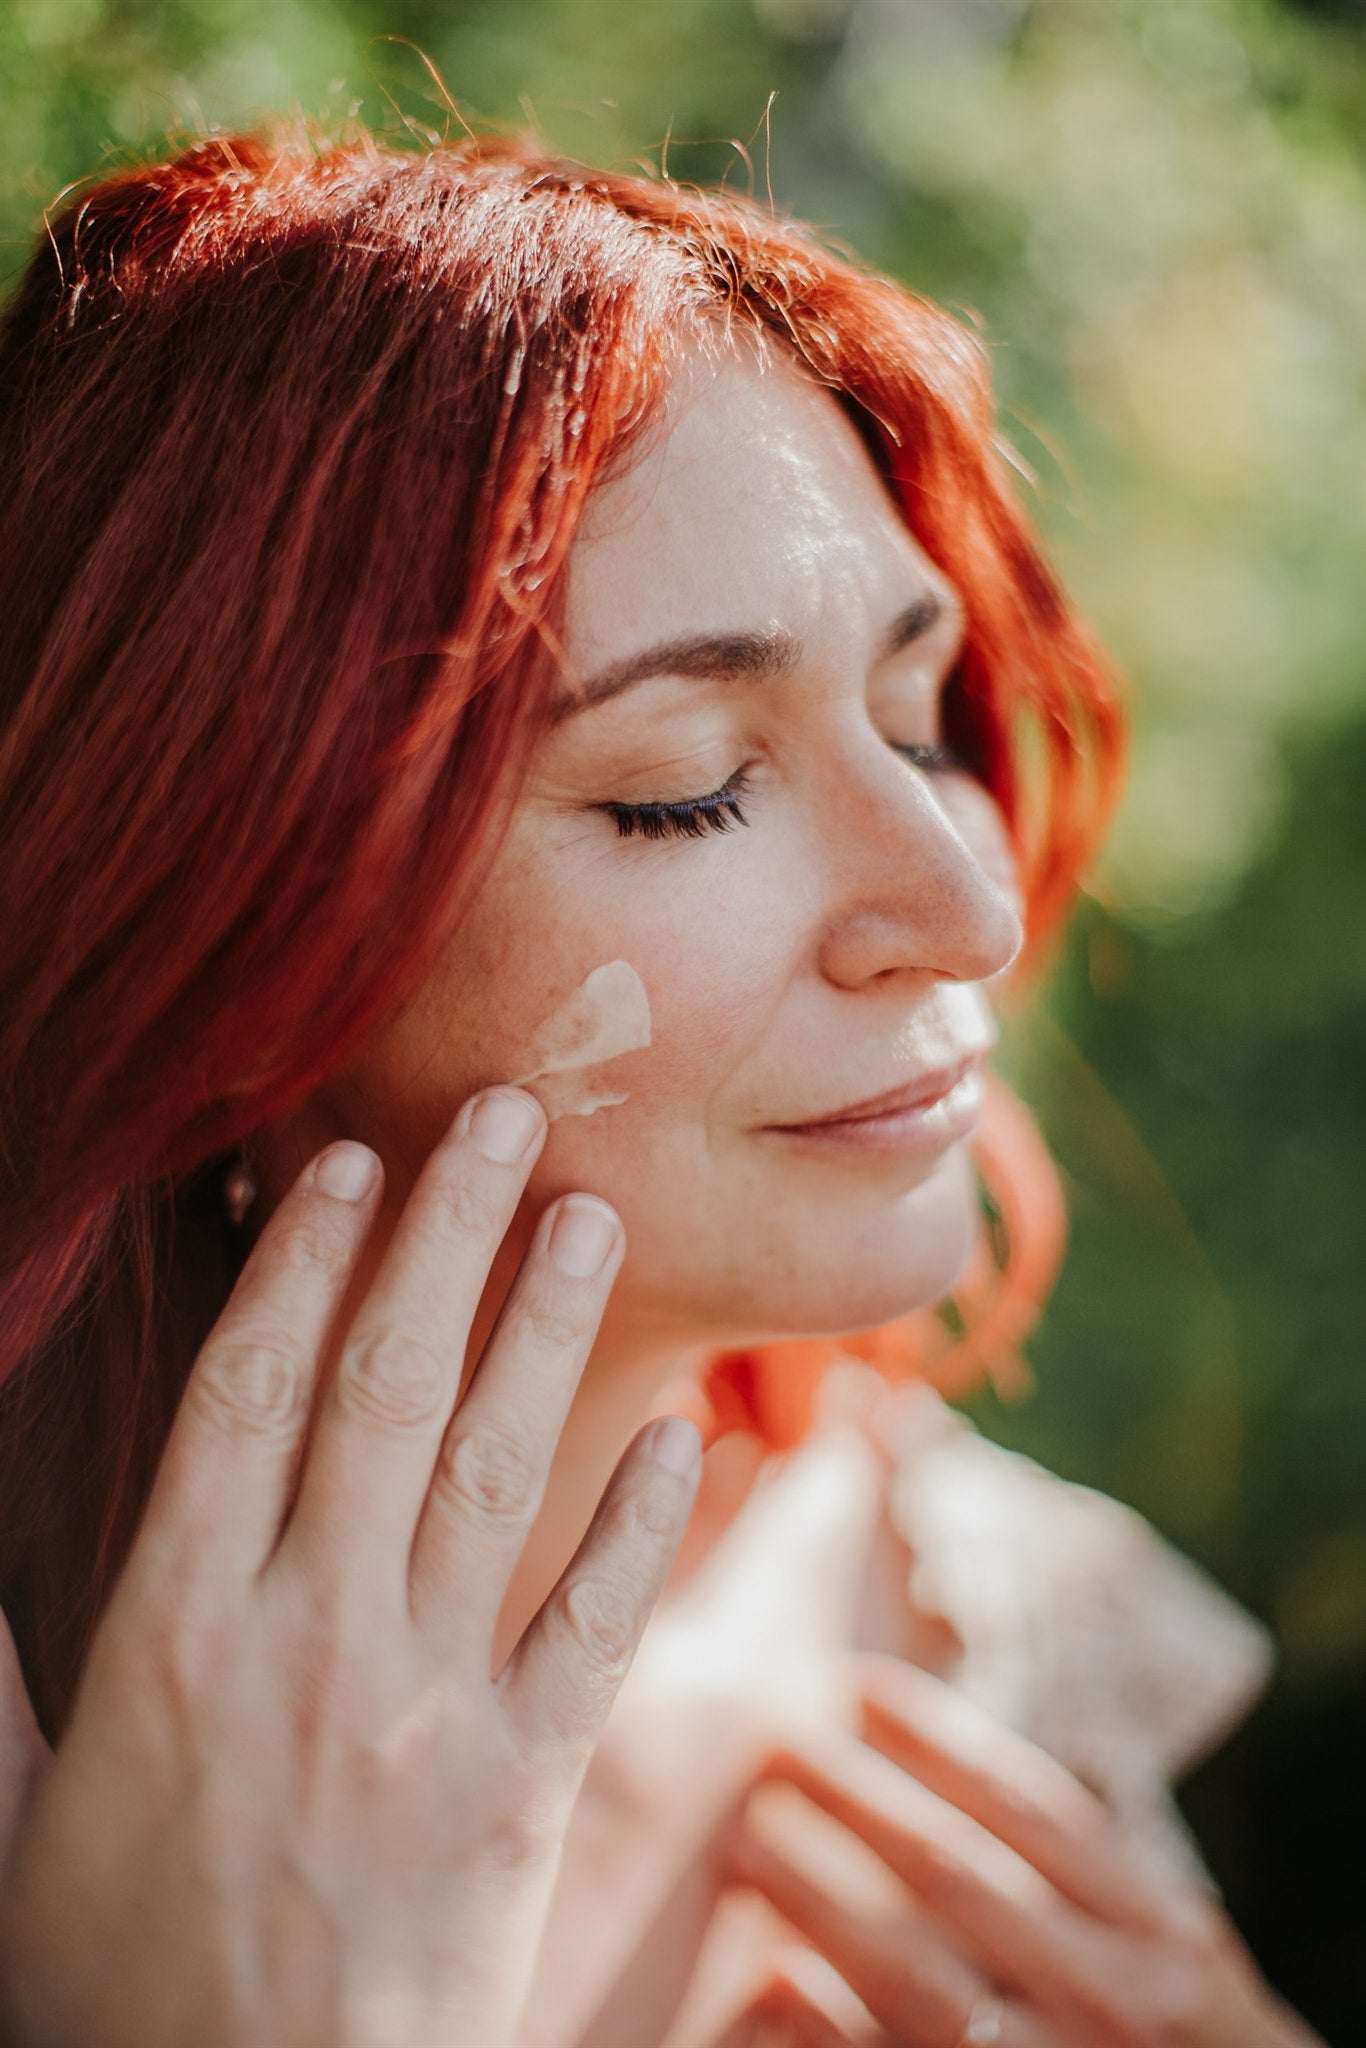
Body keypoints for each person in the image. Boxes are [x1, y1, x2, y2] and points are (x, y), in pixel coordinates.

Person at [0, 118, 1322, 2047]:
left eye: (914, 713)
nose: (960, 908)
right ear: (214, 939)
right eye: (685, 781)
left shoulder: (999, 1639)